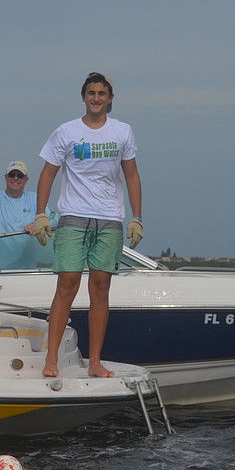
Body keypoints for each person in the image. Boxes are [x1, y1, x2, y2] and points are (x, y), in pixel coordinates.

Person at [34, 72, 143, 378]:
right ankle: (51, 359)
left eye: (102, 93)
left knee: (101, 287)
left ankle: (95, 361)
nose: (96, 98)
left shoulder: (122, 131)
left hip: (109, 219)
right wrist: (41, 213)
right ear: (84, 96)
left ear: (110, 98)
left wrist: (136, 216)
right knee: (67, 283)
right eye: (91, 93)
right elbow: (47, 174)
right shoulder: (66, 131)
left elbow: (131, 175)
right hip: (73, 216)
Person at [0, 129, 57, 270]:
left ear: (26, 179)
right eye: (12, 175)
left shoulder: (35, 199)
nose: (15, 178)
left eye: (20, 175)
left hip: (25, 271)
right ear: (6, 177)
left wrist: (37, 223)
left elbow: (55, 219)